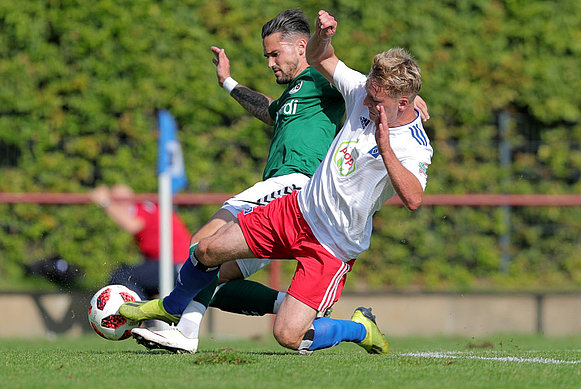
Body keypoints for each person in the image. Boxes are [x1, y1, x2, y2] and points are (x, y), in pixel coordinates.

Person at [121, 9, 433, 355]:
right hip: (296, 211)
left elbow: (414, 198)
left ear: (403, 103)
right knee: (207, 251)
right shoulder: (361, 90)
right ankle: (174, 313)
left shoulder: (412, 145)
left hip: (333, 243)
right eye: (369, 96)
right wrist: (322, 37)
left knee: (288, 336)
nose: (368, 104)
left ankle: (358, 329)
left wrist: (386, 147)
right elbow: (317, 60)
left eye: (379, 101)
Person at [89, 184, 191, 299]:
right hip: (173, 264)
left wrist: (106, 202)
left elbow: (132, 225)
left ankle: (141, 316)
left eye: (118, 202)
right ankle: (146, 314)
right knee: (136, 282)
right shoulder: (144, 207)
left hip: (175, 265)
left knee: (121, 277)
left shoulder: (144, 208)